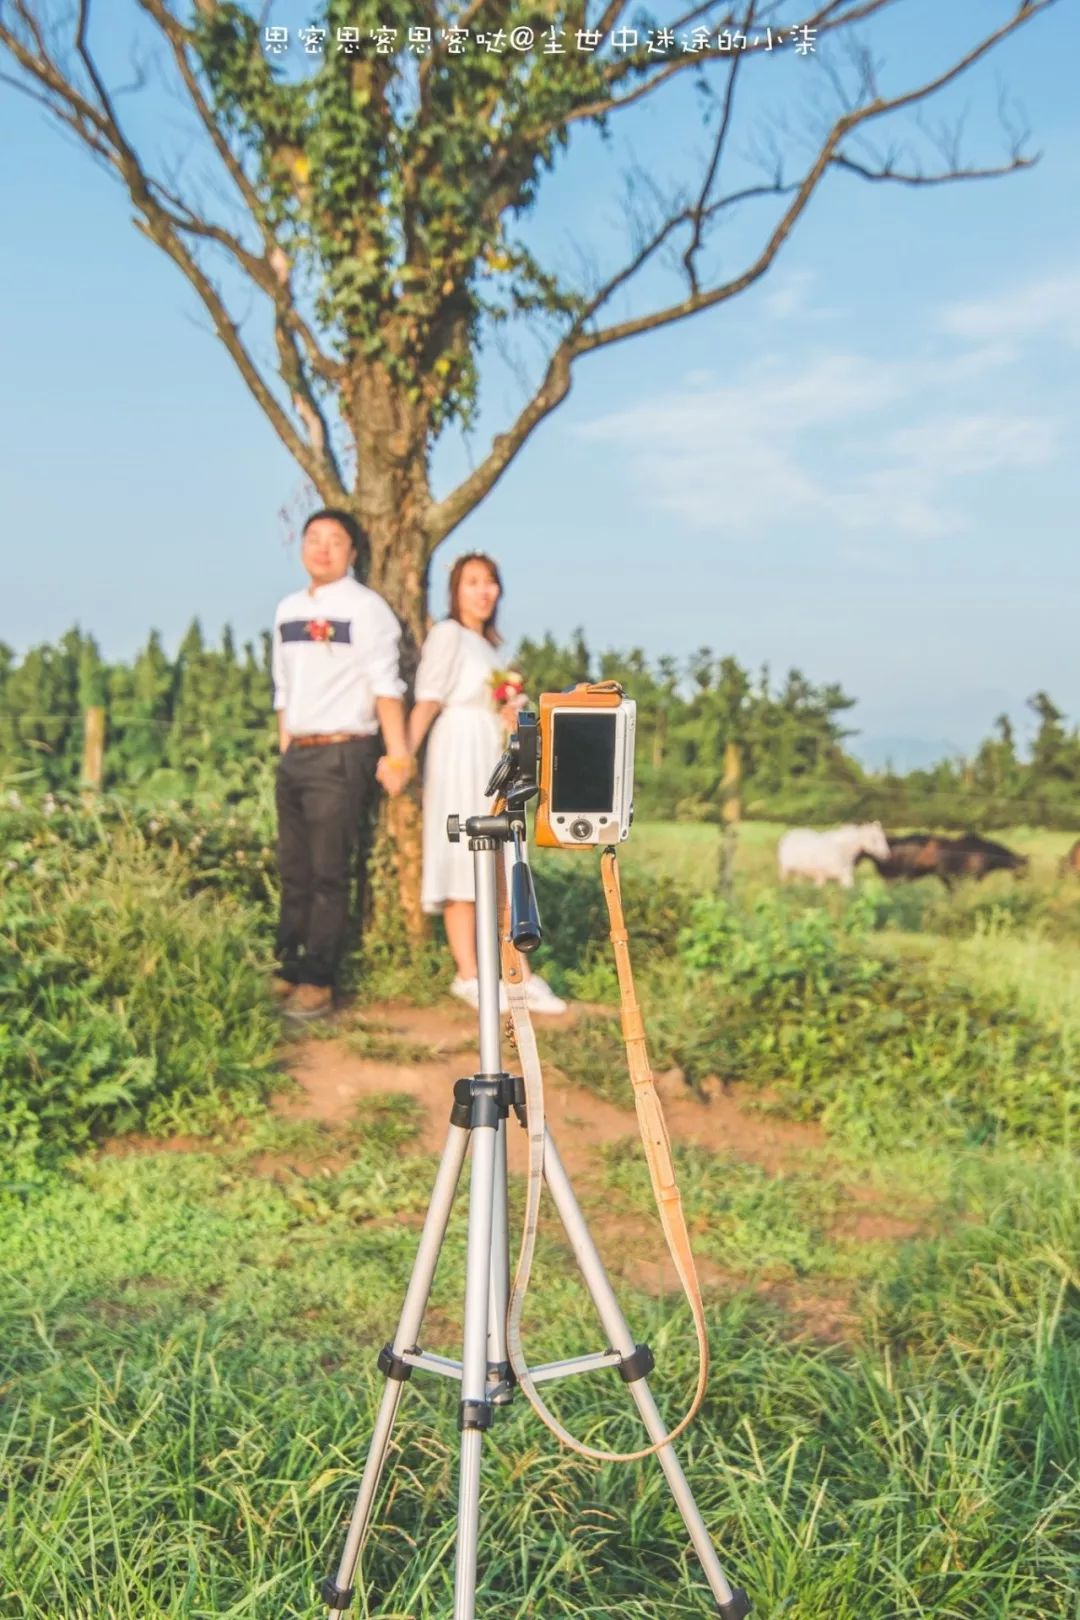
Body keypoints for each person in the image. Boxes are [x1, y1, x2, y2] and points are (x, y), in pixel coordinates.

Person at [408, 552, 566, 1014]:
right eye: (472, 582)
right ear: (456, 590)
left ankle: (516, 972)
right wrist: (401, 755)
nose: (483, 590)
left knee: (502, 855)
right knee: (464, 851)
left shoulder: (490, 647)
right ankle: (468, 973)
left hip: (487, 750)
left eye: (490, 582)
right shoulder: (447, 634)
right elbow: (429, 698)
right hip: (457, 749)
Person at [271, 509, 412, 1020]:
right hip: (298, 754)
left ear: (353, 552)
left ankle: (319, 980)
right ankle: (286, 967)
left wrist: (398, 755)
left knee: (330, 871)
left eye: (335, 541)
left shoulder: (367, 609)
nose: (323, 548)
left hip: (343, 750)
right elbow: (283, 687)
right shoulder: (287, 609)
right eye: (314, 539)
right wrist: (285, 744)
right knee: (294, 869)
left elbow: (385, 686)